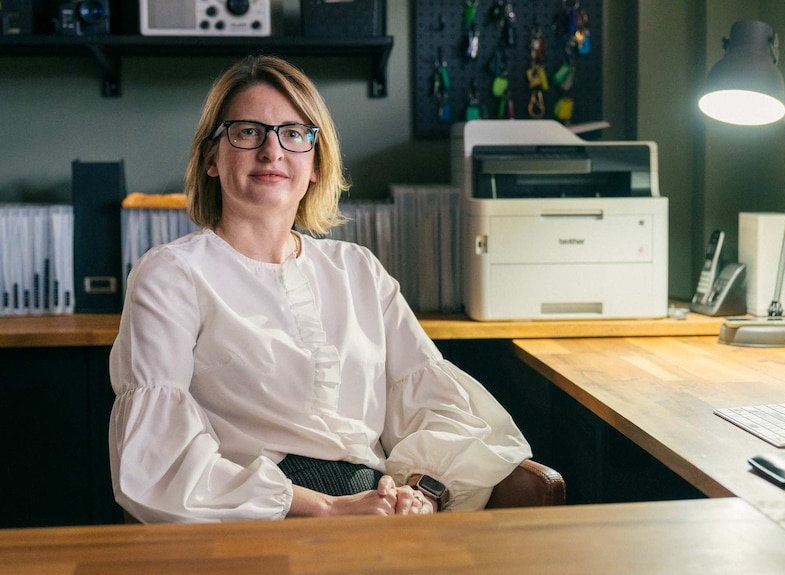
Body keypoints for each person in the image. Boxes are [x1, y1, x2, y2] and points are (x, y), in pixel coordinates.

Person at [108, 54, 532, 523]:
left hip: (378, 517)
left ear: (315, 163)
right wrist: (326, 508)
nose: (272, 152)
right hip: (256, 529)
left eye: (293, 134)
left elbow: (443, 407)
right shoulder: (171, 275)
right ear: (211, 157)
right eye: (247, 132)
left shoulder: (359, 270)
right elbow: (159, 460)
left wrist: (421, 492)